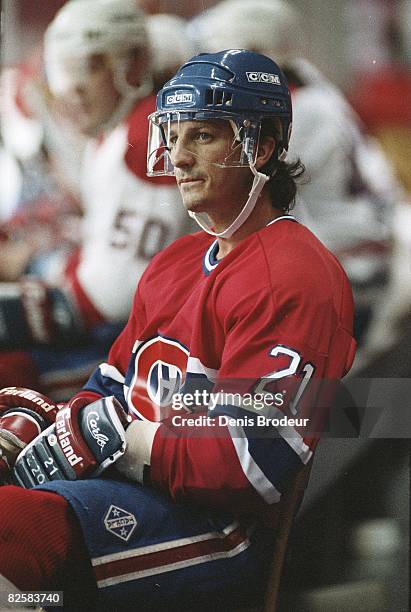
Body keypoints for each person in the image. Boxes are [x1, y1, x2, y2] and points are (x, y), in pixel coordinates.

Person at [0, 50, 356, 610]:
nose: (179, 158)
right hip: (138, 492)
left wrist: (122, 438)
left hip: (219, 531)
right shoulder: (176, 262)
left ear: (259, 146)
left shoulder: (295, 275)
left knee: (11, 531)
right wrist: (52, 430)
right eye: (174, 135)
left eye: (204, 137)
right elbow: (111, 387)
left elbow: (250, 462)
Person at [0, 0, 190, 398]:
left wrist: (20, 299)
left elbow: (112, 295)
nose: (73, 88)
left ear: (134, 64)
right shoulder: (118, 130)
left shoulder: (143, 135)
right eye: (65, 70)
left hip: (168, 347)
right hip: (159, 326)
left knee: (10, 370)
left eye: (88, 67)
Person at [189, 0, 402, 348]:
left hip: (351, 270)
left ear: (257, 53)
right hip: (363, 254)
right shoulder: (308, 86)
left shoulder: (295, 111)